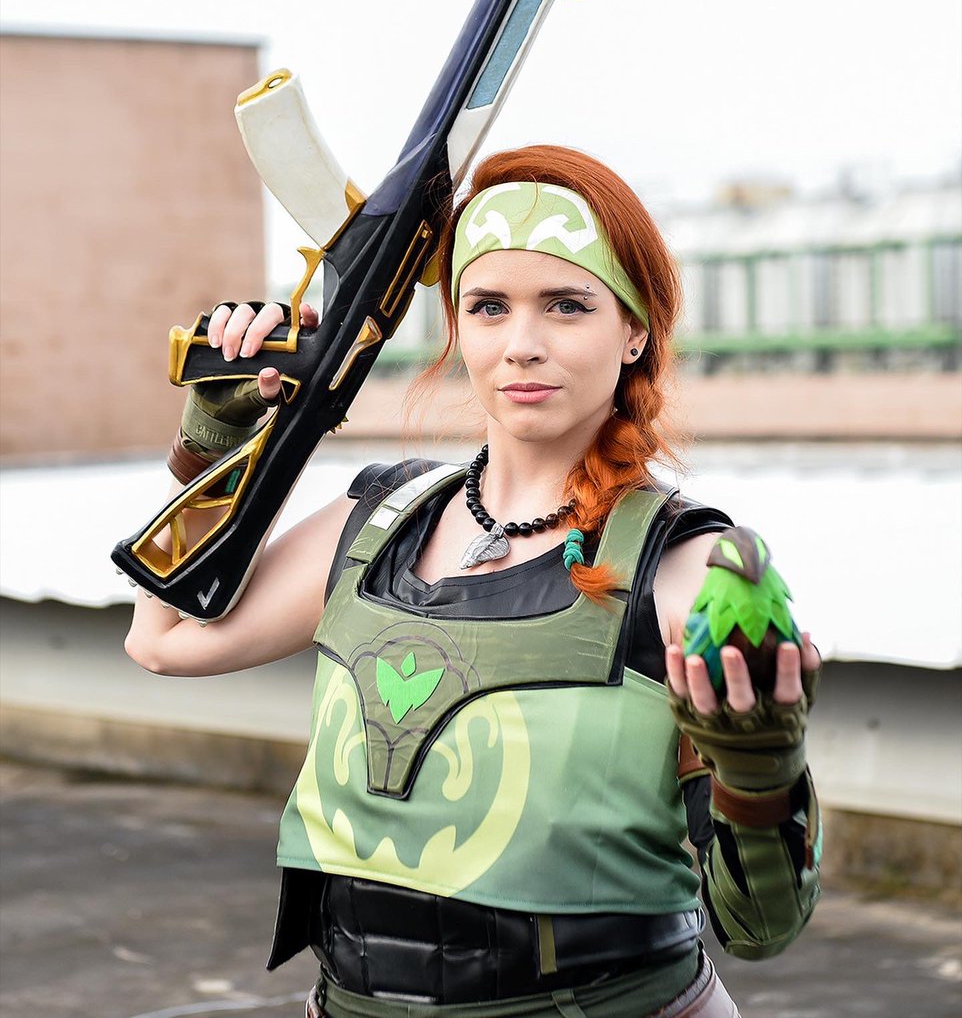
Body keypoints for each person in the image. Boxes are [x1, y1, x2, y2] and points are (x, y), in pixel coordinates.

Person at [126, 145, 822, 1018]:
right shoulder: (375, 523)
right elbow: (163, 638)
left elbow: (760, 928)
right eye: (489, 307)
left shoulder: (688, 570)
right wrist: (219, 445)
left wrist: (760, 771)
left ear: (635, 330)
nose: (522, 345)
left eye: (567, 305)